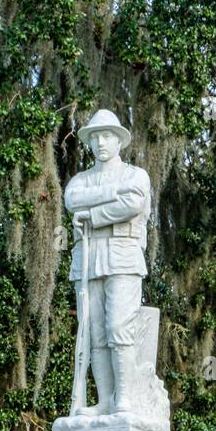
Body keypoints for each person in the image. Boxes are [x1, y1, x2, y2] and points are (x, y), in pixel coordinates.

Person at [64, 109, 152, 415]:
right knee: (94, 332)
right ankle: (104, 402)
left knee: (118, 328)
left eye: (107, 136)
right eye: (96, 137)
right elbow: (71, 199)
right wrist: (112, 192)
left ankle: (123, 399)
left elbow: (133, 203)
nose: (101, 142)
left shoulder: (136, 175)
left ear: (118, 141)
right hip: (89, 259)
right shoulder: (80, 179)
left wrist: (93, 215)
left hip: (123, 256)